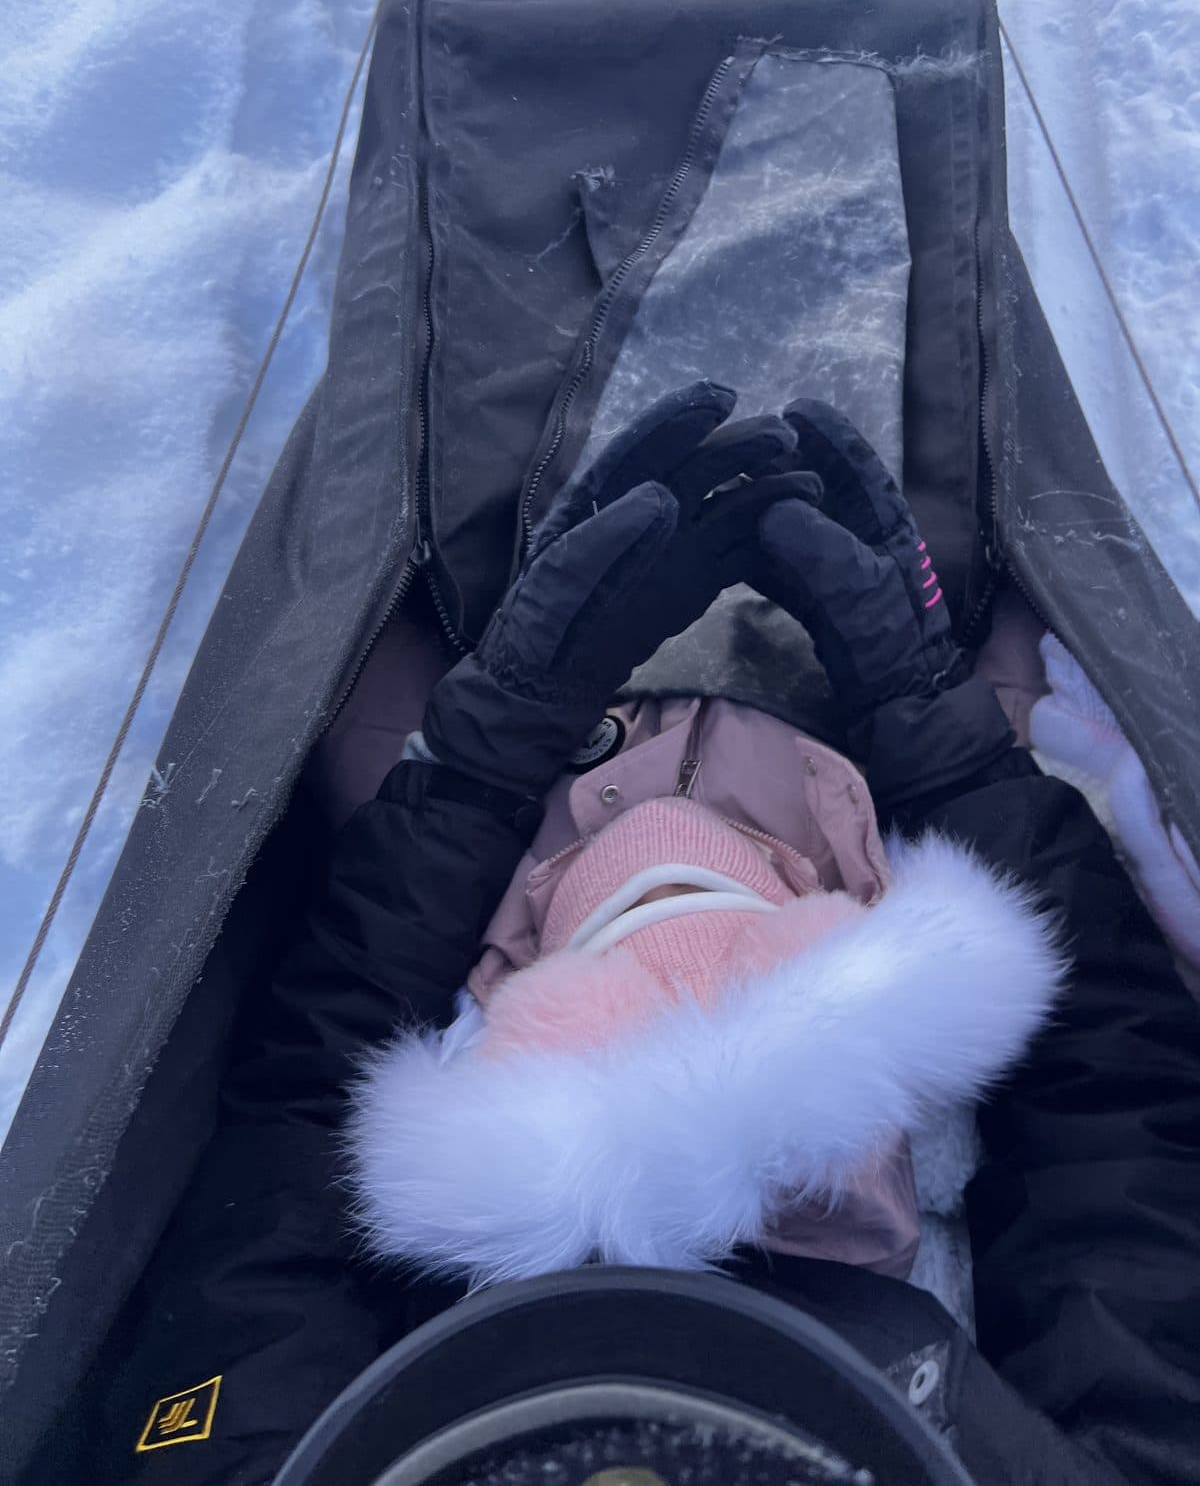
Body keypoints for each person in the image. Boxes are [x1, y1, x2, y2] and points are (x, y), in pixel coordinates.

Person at [85, 386, 1200, 1486]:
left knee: (347, 670)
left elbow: (295, 1148)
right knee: (1028, 632)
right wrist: (946, 738)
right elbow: (1117, 1130)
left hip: (486, 1216)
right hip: (863, 1255)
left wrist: (485, 747)